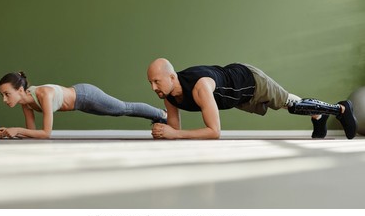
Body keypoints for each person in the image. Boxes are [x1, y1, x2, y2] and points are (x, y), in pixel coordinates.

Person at [147, 58, 357, 140]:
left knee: (289, 104)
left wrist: (175, 133)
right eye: (151, 83)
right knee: (287, 104)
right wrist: (164, 132)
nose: (153, 87)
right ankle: (318, 117)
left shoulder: (200, 87)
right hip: (238, 97)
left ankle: (341, 109)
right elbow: (172, 134)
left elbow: (214, 132)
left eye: (156, 81)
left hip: (249, 81)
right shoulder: (169, 97)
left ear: (172, 77)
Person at [0, 72, 167, 139]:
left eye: (7, 94)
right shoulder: (25, 104)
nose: (4, 99)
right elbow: (33, 134)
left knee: (123, 108)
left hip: (86, 95)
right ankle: (160, 115)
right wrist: (9, 132)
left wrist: (17, 130)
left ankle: (162, 114)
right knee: (118, 111)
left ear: (20, 90)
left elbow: (46, 133)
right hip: (81, 104)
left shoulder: (43, 94)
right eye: (2, 95)